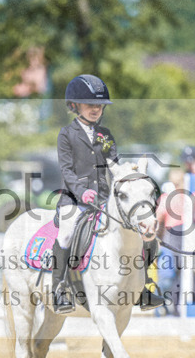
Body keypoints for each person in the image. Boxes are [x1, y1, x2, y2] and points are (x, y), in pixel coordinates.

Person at [52, 74, 164, 314]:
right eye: (90, 104)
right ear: (74, 105)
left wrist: (128, 175)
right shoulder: (66, 134)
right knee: (66, 234)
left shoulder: (106, 134)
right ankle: (60, 287)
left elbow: (114, 165)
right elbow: (67, 171)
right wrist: (82, 192)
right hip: (74, 199)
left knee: (142, 234)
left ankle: (143, 286)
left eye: (100, 105)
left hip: (104, 199)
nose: (96, 109)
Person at [156, 168, 195, 316]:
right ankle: (160, 307)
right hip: (171, 237)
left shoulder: (191, 197)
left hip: (185, 237)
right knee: (167, 277)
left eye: (179, 181)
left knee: (183, 276)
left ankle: (177, 308)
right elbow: (158, 221)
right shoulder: (166, 198)